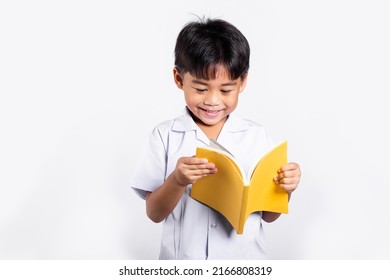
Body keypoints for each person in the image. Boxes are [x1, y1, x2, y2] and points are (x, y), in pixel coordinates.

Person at [131, 17, 301, 259]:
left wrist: (286, 189)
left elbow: (268, 216)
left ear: (242, 82)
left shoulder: (256, 136)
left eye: (225, 90)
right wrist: (177, 180)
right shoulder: (164, 136)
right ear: (179, 79)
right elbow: (154, 213)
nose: (212, 101)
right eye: (200, 89)